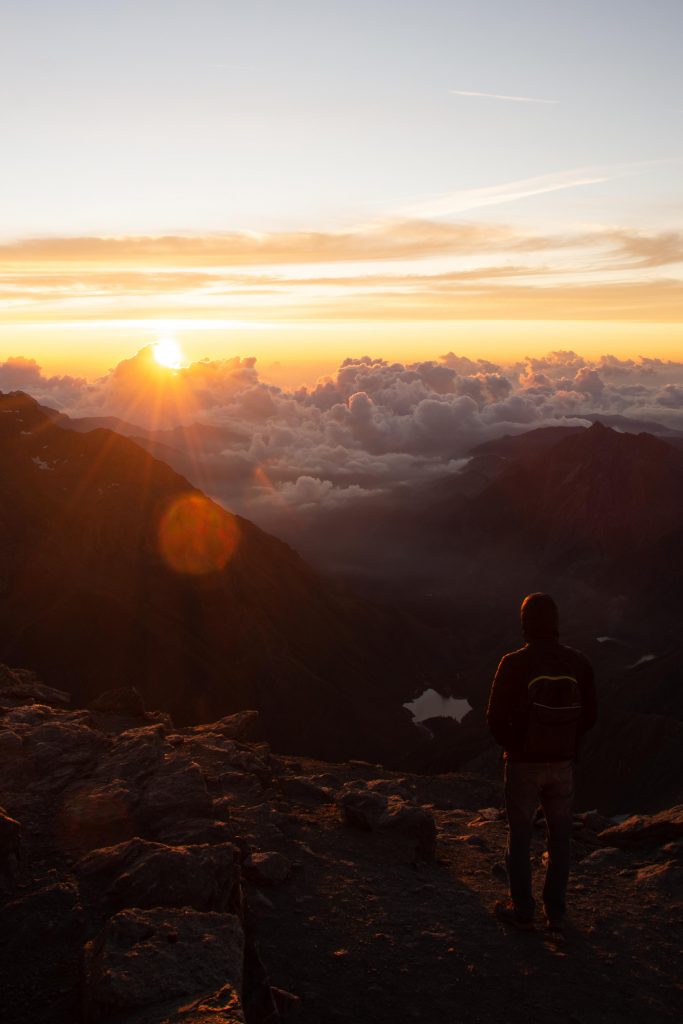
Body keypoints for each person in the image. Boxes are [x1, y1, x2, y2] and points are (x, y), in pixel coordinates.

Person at [486, 593, 597, 931]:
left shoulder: (513, 663)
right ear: (556, 623)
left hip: (522, 764)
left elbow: (494, 718)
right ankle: (557, 913)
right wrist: (566, 744)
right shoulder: (578, 662)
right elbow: (590, 715)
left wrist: (517, 747)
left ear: (525, 623)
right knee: (560, 838)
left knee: (519, 835)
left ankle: (522, 909)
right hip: (562, 765)